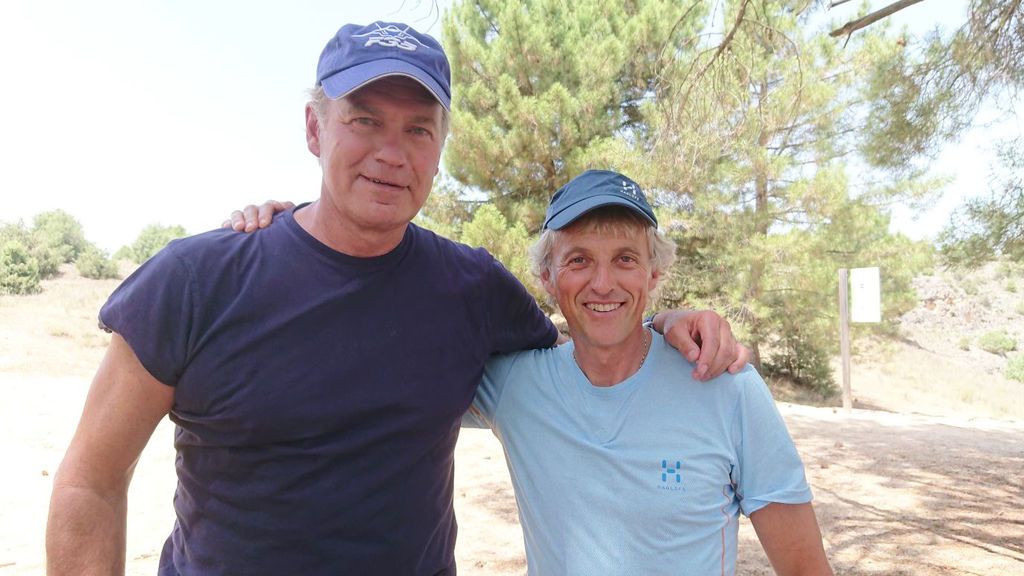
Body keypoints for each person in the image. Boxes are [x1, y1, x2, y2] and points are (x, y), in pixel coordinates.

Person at [45, 21, 745, 575]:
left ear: (441, 146)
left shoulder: (471, 289)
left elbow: (580, 367)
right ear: (315, 128)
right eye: (365, 121)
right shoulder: (197, 279)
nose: (392, 151)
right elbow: (91, 481)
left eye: (419, 128)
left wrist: (661, 321)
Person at [462, 169, 833, 575]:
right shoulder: (514, 385)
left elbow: (805, 568)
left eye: (625, 259)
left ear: (653, 273)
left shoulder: (726, 383)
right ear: (547, 277)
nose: (603, 284)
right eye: (579, 260)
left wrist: (661, 320)